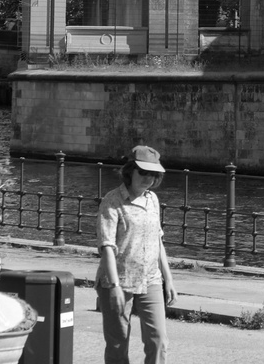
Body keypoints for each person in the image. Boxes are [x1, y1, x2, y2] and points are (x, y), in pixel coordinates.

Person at [96, 145, 177, 364]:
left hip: (150, 280)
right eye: (143, 172)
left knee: (158, 340)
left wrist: (168, 278)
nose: (148, 178)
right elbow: (107, 248)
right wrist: (113, 287)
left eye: (153, 174)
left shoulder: (152, 200)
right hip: (119, 281)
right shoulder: (112, 201)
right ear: (130, 170)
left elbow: (157, 240)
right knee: (117, 344)